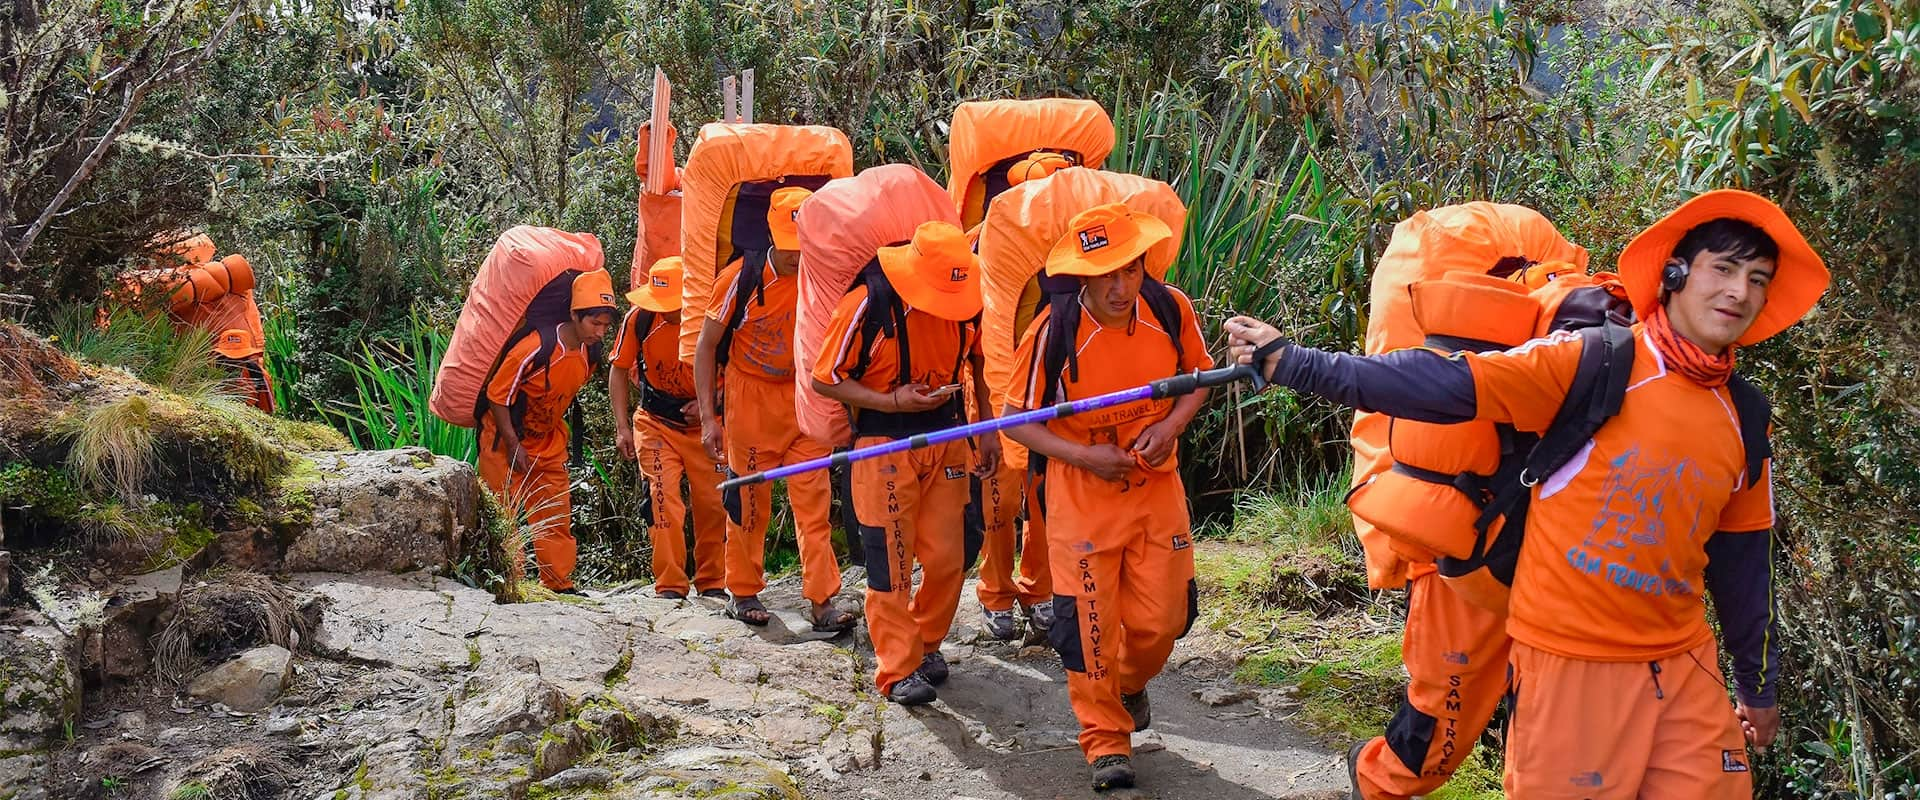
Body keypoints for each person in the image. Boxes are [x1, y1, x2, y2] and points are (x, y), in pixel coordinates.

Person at [1226, 190, 1827, 798]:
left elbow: (1745, 559)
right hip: (1571, 661)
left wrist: (1755, 683)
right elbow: (1446, 384)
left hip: (1684, 663)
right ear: (1673, 276)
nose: (1739, 293)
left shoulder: (1745, 414)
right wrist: (1298, 364)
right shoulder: (1594, 363)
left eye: (1757, 279)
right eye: (1722, 269)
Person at [1002, 203, 1212, 791]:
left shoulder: (1170, 311)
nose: (1122, 287)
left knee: (1164, 619)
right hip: (1081, 493)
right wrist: (1086, 455)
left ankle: (1128, 684)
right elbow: (1015, 420)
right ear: (1084, 276)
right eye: (1108, 275)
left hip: (1156, 487)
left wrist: (1168, 427)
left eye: (1131, 270)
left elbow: (1199, 380)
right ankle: (1105, 743)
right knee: (1090, 625)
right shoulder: (1054, 331)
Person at [812, 220, 998, 705]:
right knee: (890, 560)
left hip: (950, 434)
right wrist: (892, 400)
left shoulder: (967, 301)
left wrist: (988, 429)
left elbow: (977, 364)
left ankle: (927, 643)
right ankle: (896, 669)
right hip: (883, 443)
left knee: (948, 556)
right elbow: (825, 379)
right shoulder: (868, 305)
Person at [693, 186, 851, 630]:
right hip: (751, 399)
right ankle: (742, 591)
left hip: (803, 401)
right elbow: (706, 347)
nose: (796, 258)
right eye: (787, 249)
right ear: (770, 235)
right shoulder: (740, 280)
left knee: (813, 502)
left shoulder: (823, 277)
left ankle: (822, 601)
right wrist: (710, 418)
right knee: (749, 500)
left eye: (803, 249)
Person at [974, 153, 1072, 641]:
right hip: (999, 394)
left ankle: (1038, 591)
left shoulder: (1079, 256)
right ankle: (995, 593)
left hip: (1053, 397)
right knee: (1000, 501)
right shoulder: (983, 247)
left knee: (1044, 501)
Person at [480, 268, 618, 594]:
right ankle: (508, 585)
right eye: (593, 323)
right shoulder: (535, 347)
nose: (599, 332)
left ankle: (559, 585)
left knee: (556, 515)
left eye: (605, 326)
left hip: (549, 439)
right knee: (504, 516)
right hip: (503, 439)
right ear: (573, 314)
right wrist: (514, 444)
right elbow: (498, 396)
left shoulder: (590, 353)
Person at [611, 257, 727, 600]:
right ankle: (671, 584)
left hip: (709, 427)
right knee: (662, 499)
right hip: (655, 423)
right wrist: (622, 427)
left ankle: (712, 581)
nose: (665, 311)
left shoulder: (715, 319)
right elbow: (618, 370)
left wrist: (712, 406)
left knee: (714, 503)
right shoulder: (640, 319)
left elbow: (740, 372)